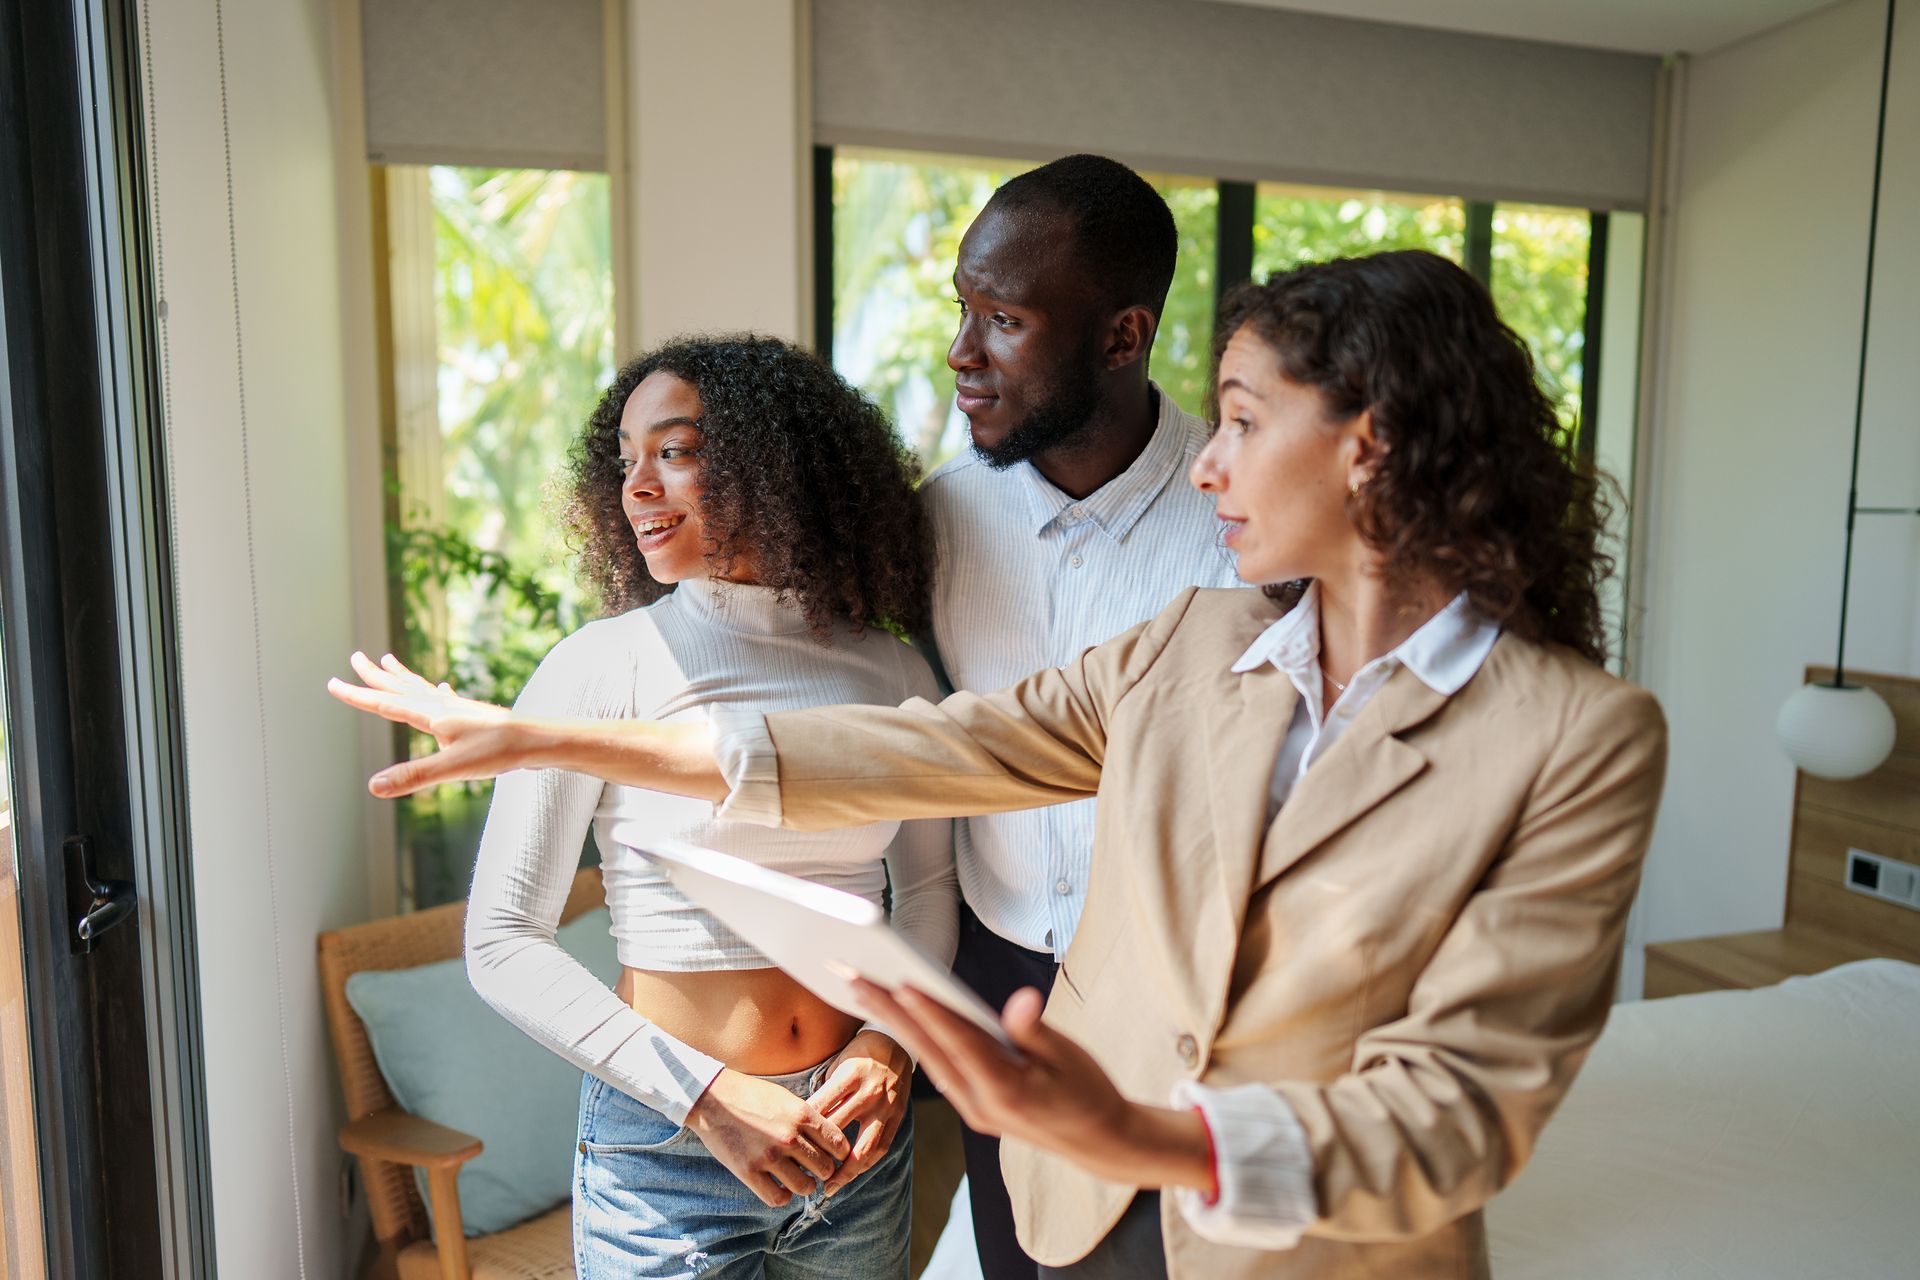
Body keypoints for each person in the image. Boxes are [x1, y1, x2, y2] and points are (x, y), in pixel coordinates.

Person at [331, 251, 1668, 1279]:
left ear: (1367, 440)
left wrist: (1135, 1132)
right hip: (1068, 1207)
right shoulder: (1197, 641)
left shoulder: (1575, 738)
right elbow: (940, 751)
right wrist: (560, 733)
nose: (1204, 463)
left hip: (1308, 1240)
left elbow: (1461, 1110)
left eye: (1245, 421)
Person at [366, 335, 956, 1278]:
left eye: (674, 452)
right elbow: (503, 940)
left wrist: (892, 1049)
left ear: (777, 466)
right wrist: (707, 1098)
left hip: (853, 1139)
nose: (636, 486)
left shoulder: (891, 670)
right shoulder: (603, 665)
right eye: (626, 459)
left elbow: (928, 892)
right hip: (666, 1150)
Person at [922, 153, 1243, 1276]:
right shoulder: (933, 525)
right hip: (993, 966)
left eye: (1002, 318)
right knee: (1015, 1255)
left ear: (1121, 337)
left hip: (1176, 981)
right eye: (960, 308)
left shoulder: (1240, 525)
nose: (962, 352)